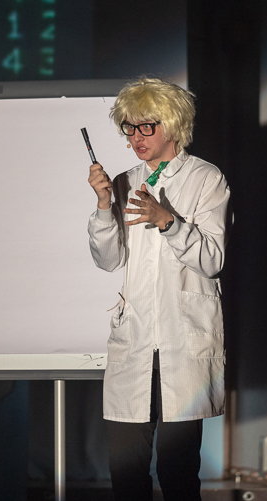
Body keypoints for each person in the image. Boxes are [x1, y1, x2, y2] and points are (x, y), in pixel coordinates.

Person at [86, 77, 230, 501]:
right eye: (129, 127)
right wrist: (102, 205)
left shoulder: (206, 179)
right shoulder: (124, 181)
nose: (136, 137)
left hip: (181, 342)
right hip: (135, 344)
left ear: (173, 124)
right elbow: (108, 260)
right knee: (126, 473)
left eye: (146, 126)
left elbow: (212, 260)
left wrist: (167, 221)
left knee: (177, 472)